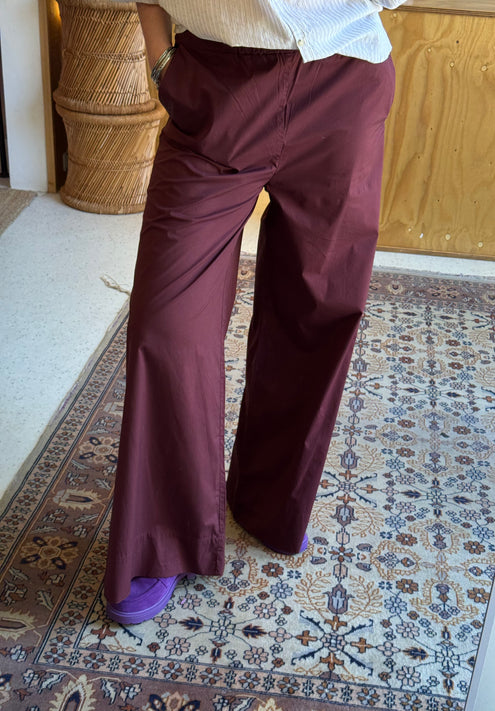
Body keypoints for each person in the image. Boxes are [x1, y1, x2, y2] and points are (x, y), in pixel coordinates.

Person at [105, 0, 406, 625]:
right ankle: (162, 535)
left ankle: (270, 497)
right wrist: (161, 61)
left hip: (342, 80)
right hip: (214, 85)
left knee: (317, 309)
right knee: (167, 322)